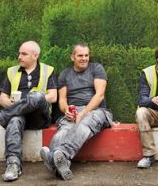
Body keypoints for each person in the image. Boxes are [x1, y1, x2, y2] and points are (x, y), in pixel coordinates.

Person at [0, 41, 57, 182]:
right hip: (18, 115)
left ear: (35, 56)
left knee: (36, 96)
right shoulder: (12, 71)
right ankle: (13, 165)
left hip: (39, 117)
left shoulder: (48, 70)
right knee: (14, 119)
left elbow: (53, 96)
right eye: (19, 53)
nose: (19, 56)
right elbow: (2, 99)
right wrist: (14, 105)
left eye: (23, 54)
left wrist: (31, 101)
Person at [39, 43, 113, 180]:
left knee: (84, 125)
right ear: (72, 57)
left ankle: (57, 156)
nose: (84, 58)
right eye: (80, 55)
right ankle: (61, 164)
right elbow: (62, 100)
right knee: (63, 131)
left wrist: (83, 113)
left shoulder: (96, 68)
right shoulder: (65, 74)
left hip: (96, 110)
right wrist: (66, 110)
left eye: (86, 55)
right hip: (73, 110)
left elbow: (100, 95)